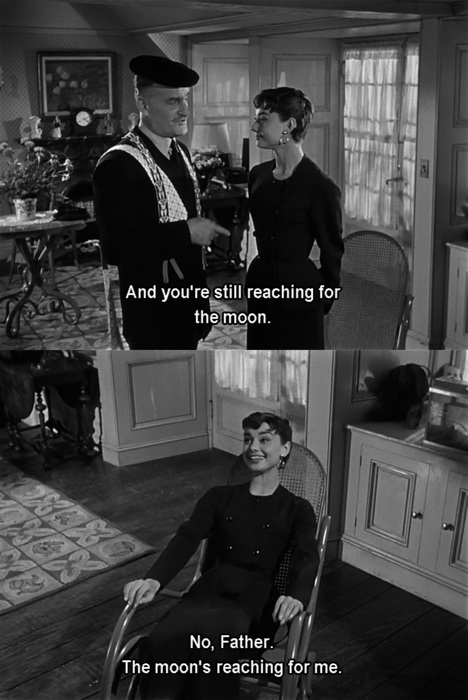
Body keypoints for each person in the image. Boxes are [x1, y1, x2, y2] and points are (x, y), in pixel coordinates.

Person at [124, 412, 319, 700]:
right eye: (248, 440)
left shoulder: (297, 508)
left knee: (212, 642)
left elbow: (306, 555)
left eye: (264, 440)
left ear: (285, 448)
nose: (253, 447)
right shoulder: (219, 496)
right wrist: (154, 579)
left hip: (254, 601)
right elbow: (187, 536)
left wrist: (296, 596)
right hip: (207, 591)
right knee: (164, 638)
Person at [93, 55, 229, 349]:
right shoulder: (118, 164)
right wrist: (187, 232)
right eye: (172, 101)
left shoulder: (181, 152)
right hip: (153, 317)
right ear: (143, 105)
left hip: (189, 308)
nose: (185, 111)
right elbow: (116, 247)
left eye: (185, 100)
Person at [246, 87, 344, 349]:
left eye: (263, 119)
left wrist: (320, 297)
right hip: (259, 288)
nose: (255, 127)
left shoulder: (321, 187)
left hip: (300, 296)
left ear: (288, 125)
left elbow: (332, 253)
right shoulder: (257, 175)